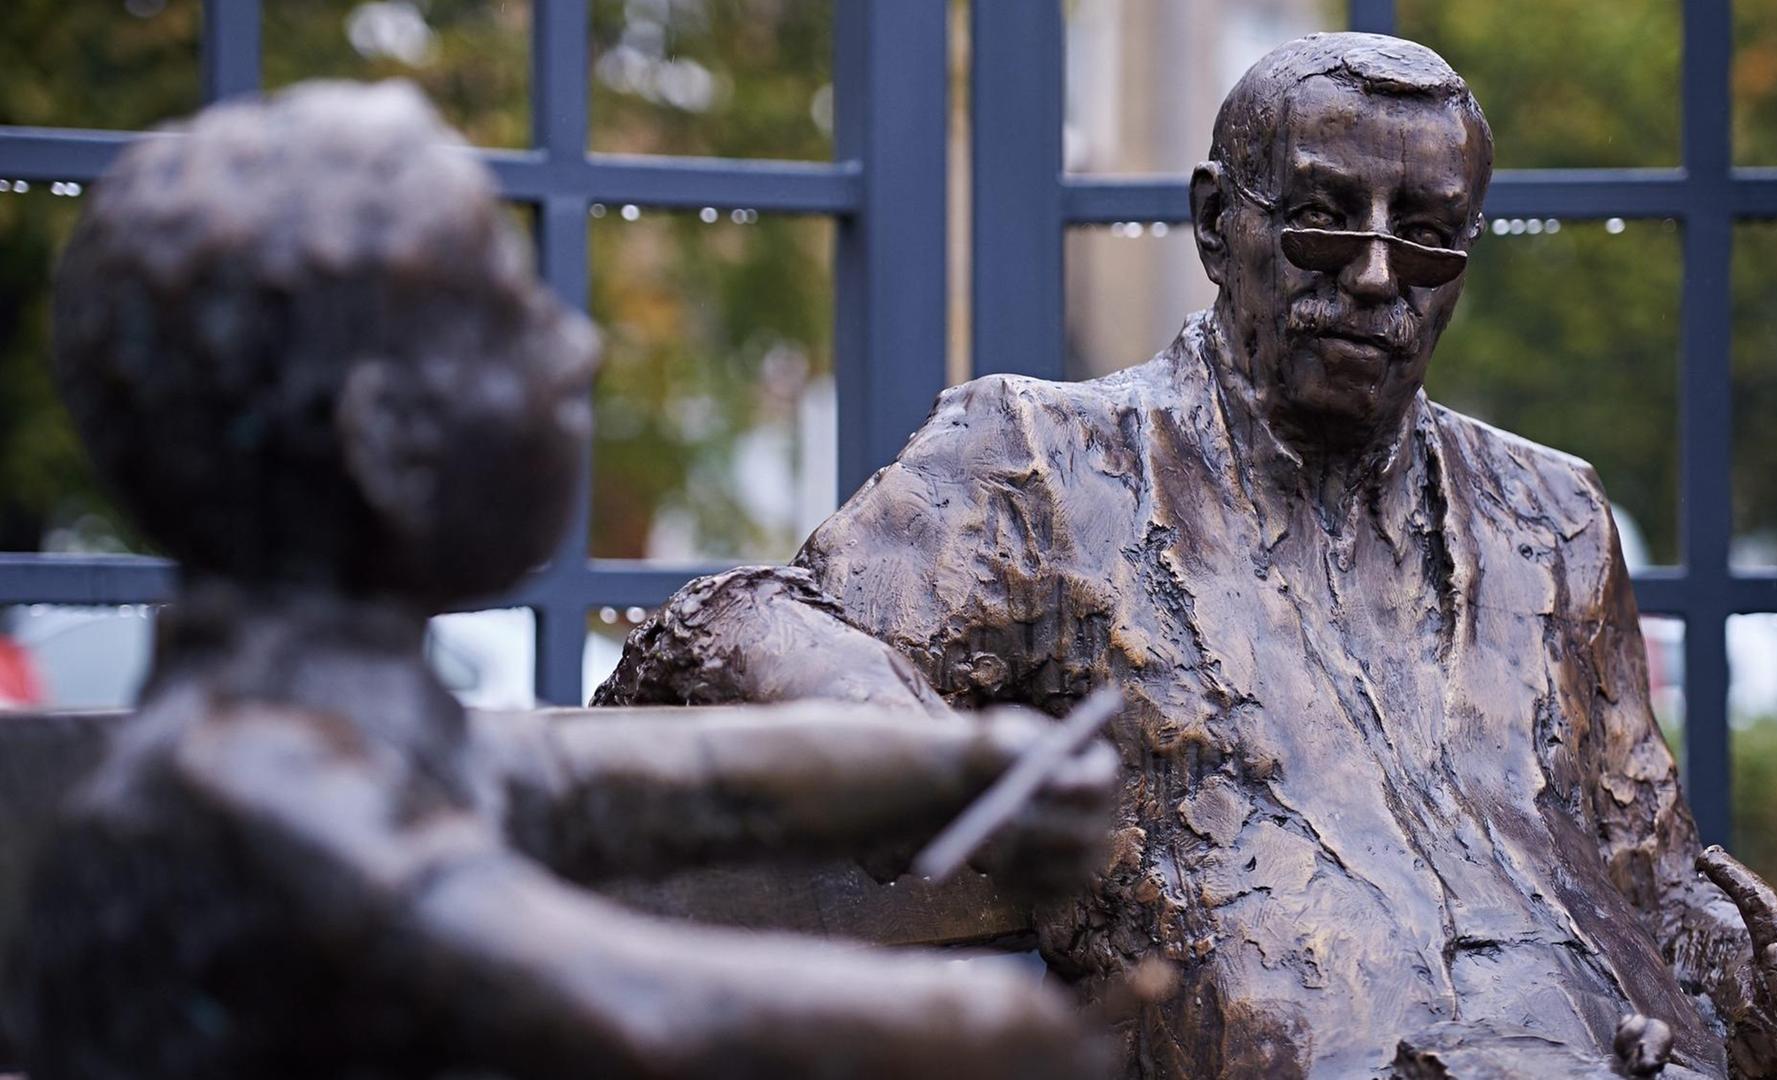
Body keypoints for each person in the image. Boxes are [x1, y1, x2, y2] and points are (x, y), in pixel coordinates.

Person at [595, 33, 1777, 1079]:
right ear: (1217, 220)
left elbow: (1651, 876)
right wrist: (926, 756)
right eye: (1329, 221)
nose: (1381, 277)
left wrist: (1767, 983)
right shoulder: (1047, 463)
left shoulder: (1553, 513)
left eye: (1431, 232)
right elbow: (733, 622)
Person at [6, 80, 1117, 1080]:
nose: (576, 350)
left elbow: (642, 781)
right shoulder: (259, 798)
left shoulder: (324, 723)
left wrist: (953, 763)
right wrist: (979, 1031)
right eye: (511, 318)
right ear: (388, 442)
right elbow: (646, 1009)